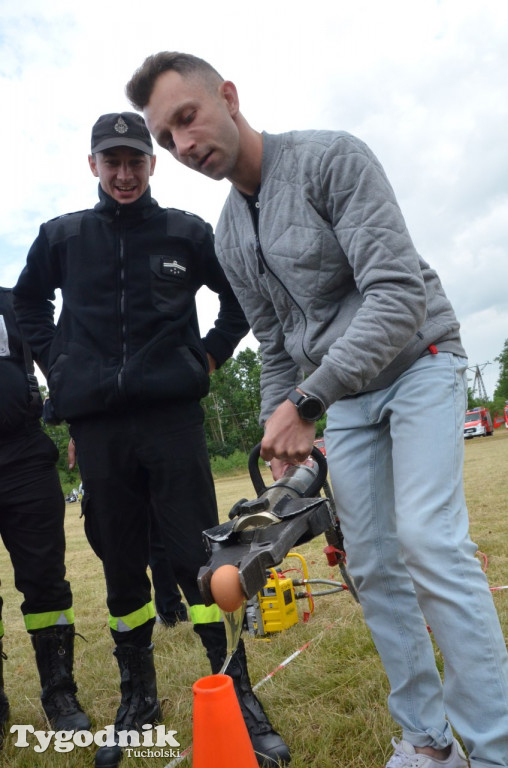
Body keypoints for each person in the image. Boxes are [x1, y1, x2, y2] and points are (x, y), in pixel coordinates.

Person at [125, 54, 508, 768]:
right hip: (348, 399)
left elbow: (396, 295)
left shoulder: (334, 159)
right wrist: (279, 422)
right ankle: (428, 742)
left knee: (427, 540)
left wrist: (306, 401)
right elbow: (273, 345)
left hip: (420, 361)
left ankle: (493, 749)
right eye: (167, 138)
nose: (182, 145)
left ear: (229, 97)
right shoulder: (230, 233)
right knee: (369, 563)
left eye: (187, 118)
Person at [13, 112, 289, 768]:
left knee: (201, 563)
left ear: (152, 164)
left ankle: (237, 690)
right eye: (112, 162)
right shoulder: (62, 237)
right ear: (93, 167)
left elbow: (240, 303)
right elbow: (27, 307)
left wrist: (206, 363)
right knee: (119, 567)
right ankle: (138, 699)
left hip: (172, 423)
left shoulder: (187, 234)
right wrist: (66, 367)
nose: (125, 173)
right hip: (99, 430)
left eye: (135, 160)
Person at [0, 287, 90, 746]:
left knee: (45, 581)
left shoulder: (15, 304)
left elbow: (59, 365)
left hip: (23, 455)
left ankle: (60, 694)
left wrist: (77, 423)